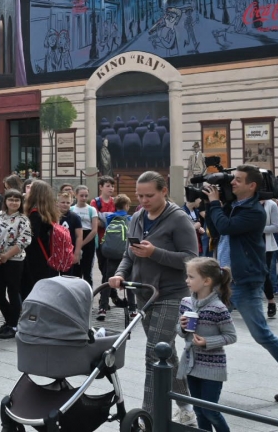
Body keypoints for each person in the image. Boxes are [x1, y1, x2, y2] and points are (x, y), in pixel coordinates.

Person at [204, 164, 278, 402]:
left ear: (252, 185)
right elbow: (216, 230)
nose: (232, 182)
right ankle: (199, 378)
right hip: (223, 279)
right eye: (232, 179)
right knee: (203, 325)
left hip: (243, 281)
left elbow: (226, 226)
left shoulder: (254, 211)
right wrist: (212, 203)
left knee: (261, 334)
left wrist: (215, 204)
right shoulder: (234, 206)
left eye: (238, 179)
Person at [110, 171, 198, 423]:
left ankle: (147, 417)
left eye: (149, 195)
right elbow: (129, 253)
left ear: (164, 191)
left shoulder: (178, 219)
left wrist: (155, 253)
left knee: (153, 354)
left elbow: (192, 258)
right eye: (139, 196)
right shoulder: (138, 216)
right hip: (144, 294)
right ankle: (187, 407)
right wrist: (119, 273)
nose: (143, 200)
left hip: (171, 294)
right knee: (165, 352)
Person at [177, 257, 237, 432]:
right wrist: (182, 327)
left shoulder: (218, 308)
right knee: (199, 410)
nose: (187, 280)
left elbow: (231, 336)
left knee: (210, 411)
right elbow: (180, 332)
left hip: (212, 367)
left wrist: (207, 342)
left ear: (206, 281)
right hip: (191, 364)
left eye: (191, 277)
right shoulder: (186, 303)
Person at [0, 189, 31, 339]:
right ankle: (9, 320)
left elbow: (24, 241)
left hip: (15, 260)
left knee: (13, 292)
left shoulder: (23, 219)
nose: (13, 202)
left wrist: (7, 256)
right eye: (11, 199)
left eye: (17, 200)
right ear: (5, 201)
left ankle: (13, 325)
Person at [98, 195, 136, 320]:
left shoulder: (110, 218)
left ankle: (103, 308)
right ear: (127, 206)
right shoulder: (130, 218)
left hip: (111, 254)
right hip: (125, 254)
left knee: (108, 280)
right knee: (129, 280)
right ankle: (132, 309)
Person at [21, 180, 61, 299]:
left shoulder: (35, 214)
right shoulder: (47, 211)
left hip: (34, 257)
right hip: (45, 254)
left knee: (30, 288)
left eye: (31, 188)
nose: (28, 191)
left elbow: (32, 237)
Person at [92, 176, 119, 304]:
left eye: (112, 186)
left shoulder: (116, 202)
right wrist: (107, 223)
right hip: (101, 241)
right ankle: (112, 295)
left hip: (113, 241)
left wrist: (105, 222)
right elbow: (95, 221)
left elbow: (119, 219)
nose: (111, 188)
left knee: (110, 270)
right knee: (103, 269)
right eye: (108, 186)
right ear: (101, 187)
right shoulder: (96, 202)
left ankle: (105, 298)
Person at [71, 185, 100, 288]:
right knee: (75, 271)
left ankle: (88, 293)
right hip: (74, 239)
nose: (84, 198)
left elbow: (94, 230)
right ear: (76, 195)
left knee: (87, 271)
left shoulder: (91, 209)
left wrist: (82, 243)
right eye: (81, 195)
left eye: (86, 196)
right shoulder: (72, 209)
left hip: (88, 240)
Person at [262, 197, 278, 318]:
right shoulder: (247, 201)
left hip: (265, 246)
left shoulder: (271, 205)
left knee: (264, 274)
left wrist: (256, 228)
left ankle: (271, 301)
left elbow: (275, 227)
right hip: (248, 245)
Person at [57, 191, 83, 277]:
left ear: (71, 203)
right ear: (57, 203)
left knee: (67, 277)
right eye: (63, 202)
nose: (65, 204)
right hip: (55, 252)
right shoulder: (52, 216)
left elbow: (79, 236)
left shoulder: (75, 217)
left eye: (68, 203)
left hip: (69, 252)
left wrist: (76, 253)